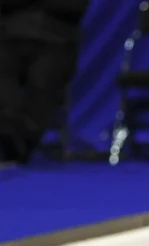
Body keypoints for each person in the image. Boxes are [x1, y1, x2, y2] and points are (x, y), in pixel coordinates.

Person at [0, 0, 89, 163]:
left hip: (57, 38)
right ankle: (9, 137)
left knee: (43, 78)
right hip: (8, 35)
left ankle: (21, 141)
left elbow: (76, 7)